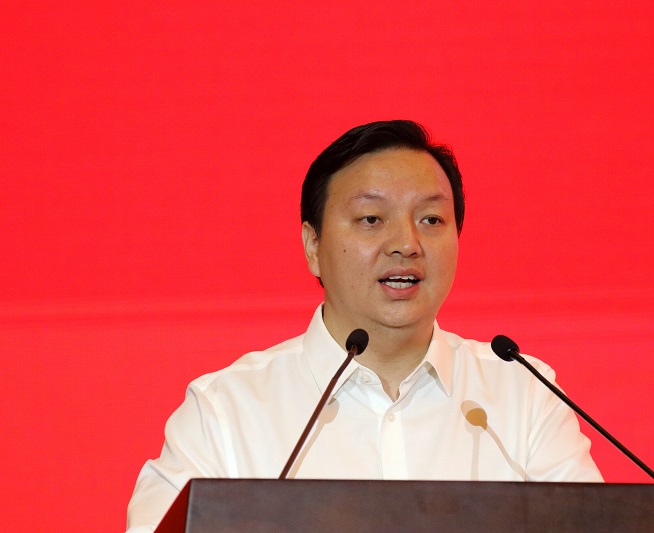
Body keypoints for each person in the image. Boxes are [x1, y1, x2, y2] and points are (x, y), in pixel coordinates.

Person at [125, 120, 602, 532]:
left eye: (431, 219)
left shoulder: (524, 396)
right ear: (313, 246)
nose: (407, 243)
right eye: (372, 219)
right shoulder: (225, 413)